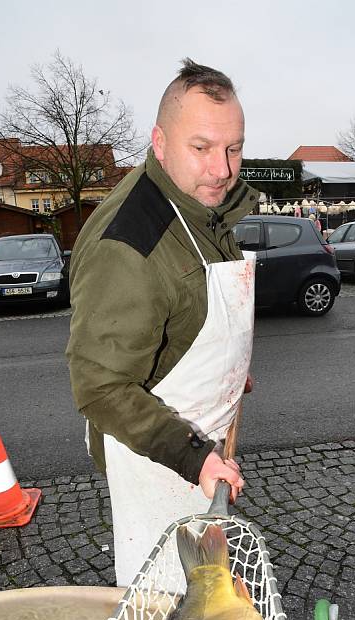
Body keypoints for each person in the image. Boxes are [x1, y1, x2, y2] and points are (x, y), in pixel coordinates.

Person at [66, 59, 258, 586]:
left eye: (233, 147)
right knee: (165, 598)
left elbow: (191, 305)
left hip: (202, 431)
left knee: (205, 581)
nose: (221, 168)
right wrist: (192, 455)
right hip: (153, 453)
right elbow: (100, 387)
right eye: (201, 148)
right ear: (159, 141)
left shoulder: (201, 203)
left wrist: (226, 368)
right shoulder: (130, 246)